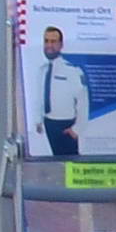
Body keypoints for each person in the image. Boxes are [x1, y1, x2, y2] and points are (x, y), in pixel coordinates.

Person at [38, 26, 86, 159]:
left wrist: (77, 129)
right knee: (53, 163)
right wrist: (38, 120)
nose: (49, 45)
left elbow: (82, 100)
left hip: (65, 126)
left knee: (69, 164)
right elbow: (40, 97)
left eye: (53, 42)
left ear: (61, 45)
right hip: (48, 123)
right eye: (46, 41)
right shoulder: (42, 70)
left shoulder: (71, 70)